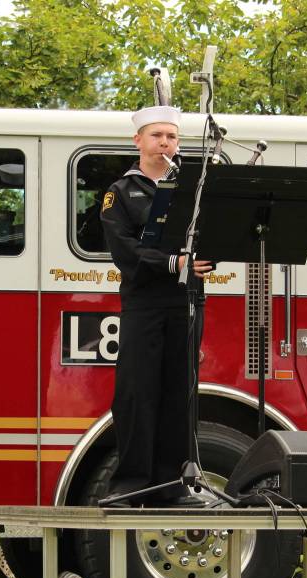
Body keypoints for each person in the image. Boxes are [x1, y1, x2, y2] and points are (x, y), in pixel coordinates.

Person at [100, 105, 214, 507]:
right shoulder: (121, 191)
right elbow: (123, 251)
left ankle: (172, 483)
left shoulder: (193, 188)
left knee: (179, 393)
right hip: (144, 303)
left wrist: (205, 255)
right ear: (138, 141)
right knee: (136, 391)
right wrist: (173, 262)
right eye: (157, 136)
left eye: (171, 137)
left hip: (186, 301)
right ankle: (130, 483)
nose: (165, 143)